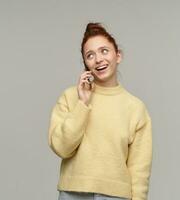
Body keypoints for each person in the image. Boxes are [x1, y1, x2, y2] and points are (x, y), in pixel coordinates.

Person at [48, 22, 152, 200]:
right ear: (86, 64)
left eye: (104, 51)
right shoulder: (70, 97)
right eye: (90, 55)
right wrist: (83, 103)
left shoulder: (135, 108)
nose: (98, 59)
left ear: (118, 55)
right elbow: (61, 148)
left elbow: (139, 170)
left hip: (116, 196)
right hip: (72, 192)